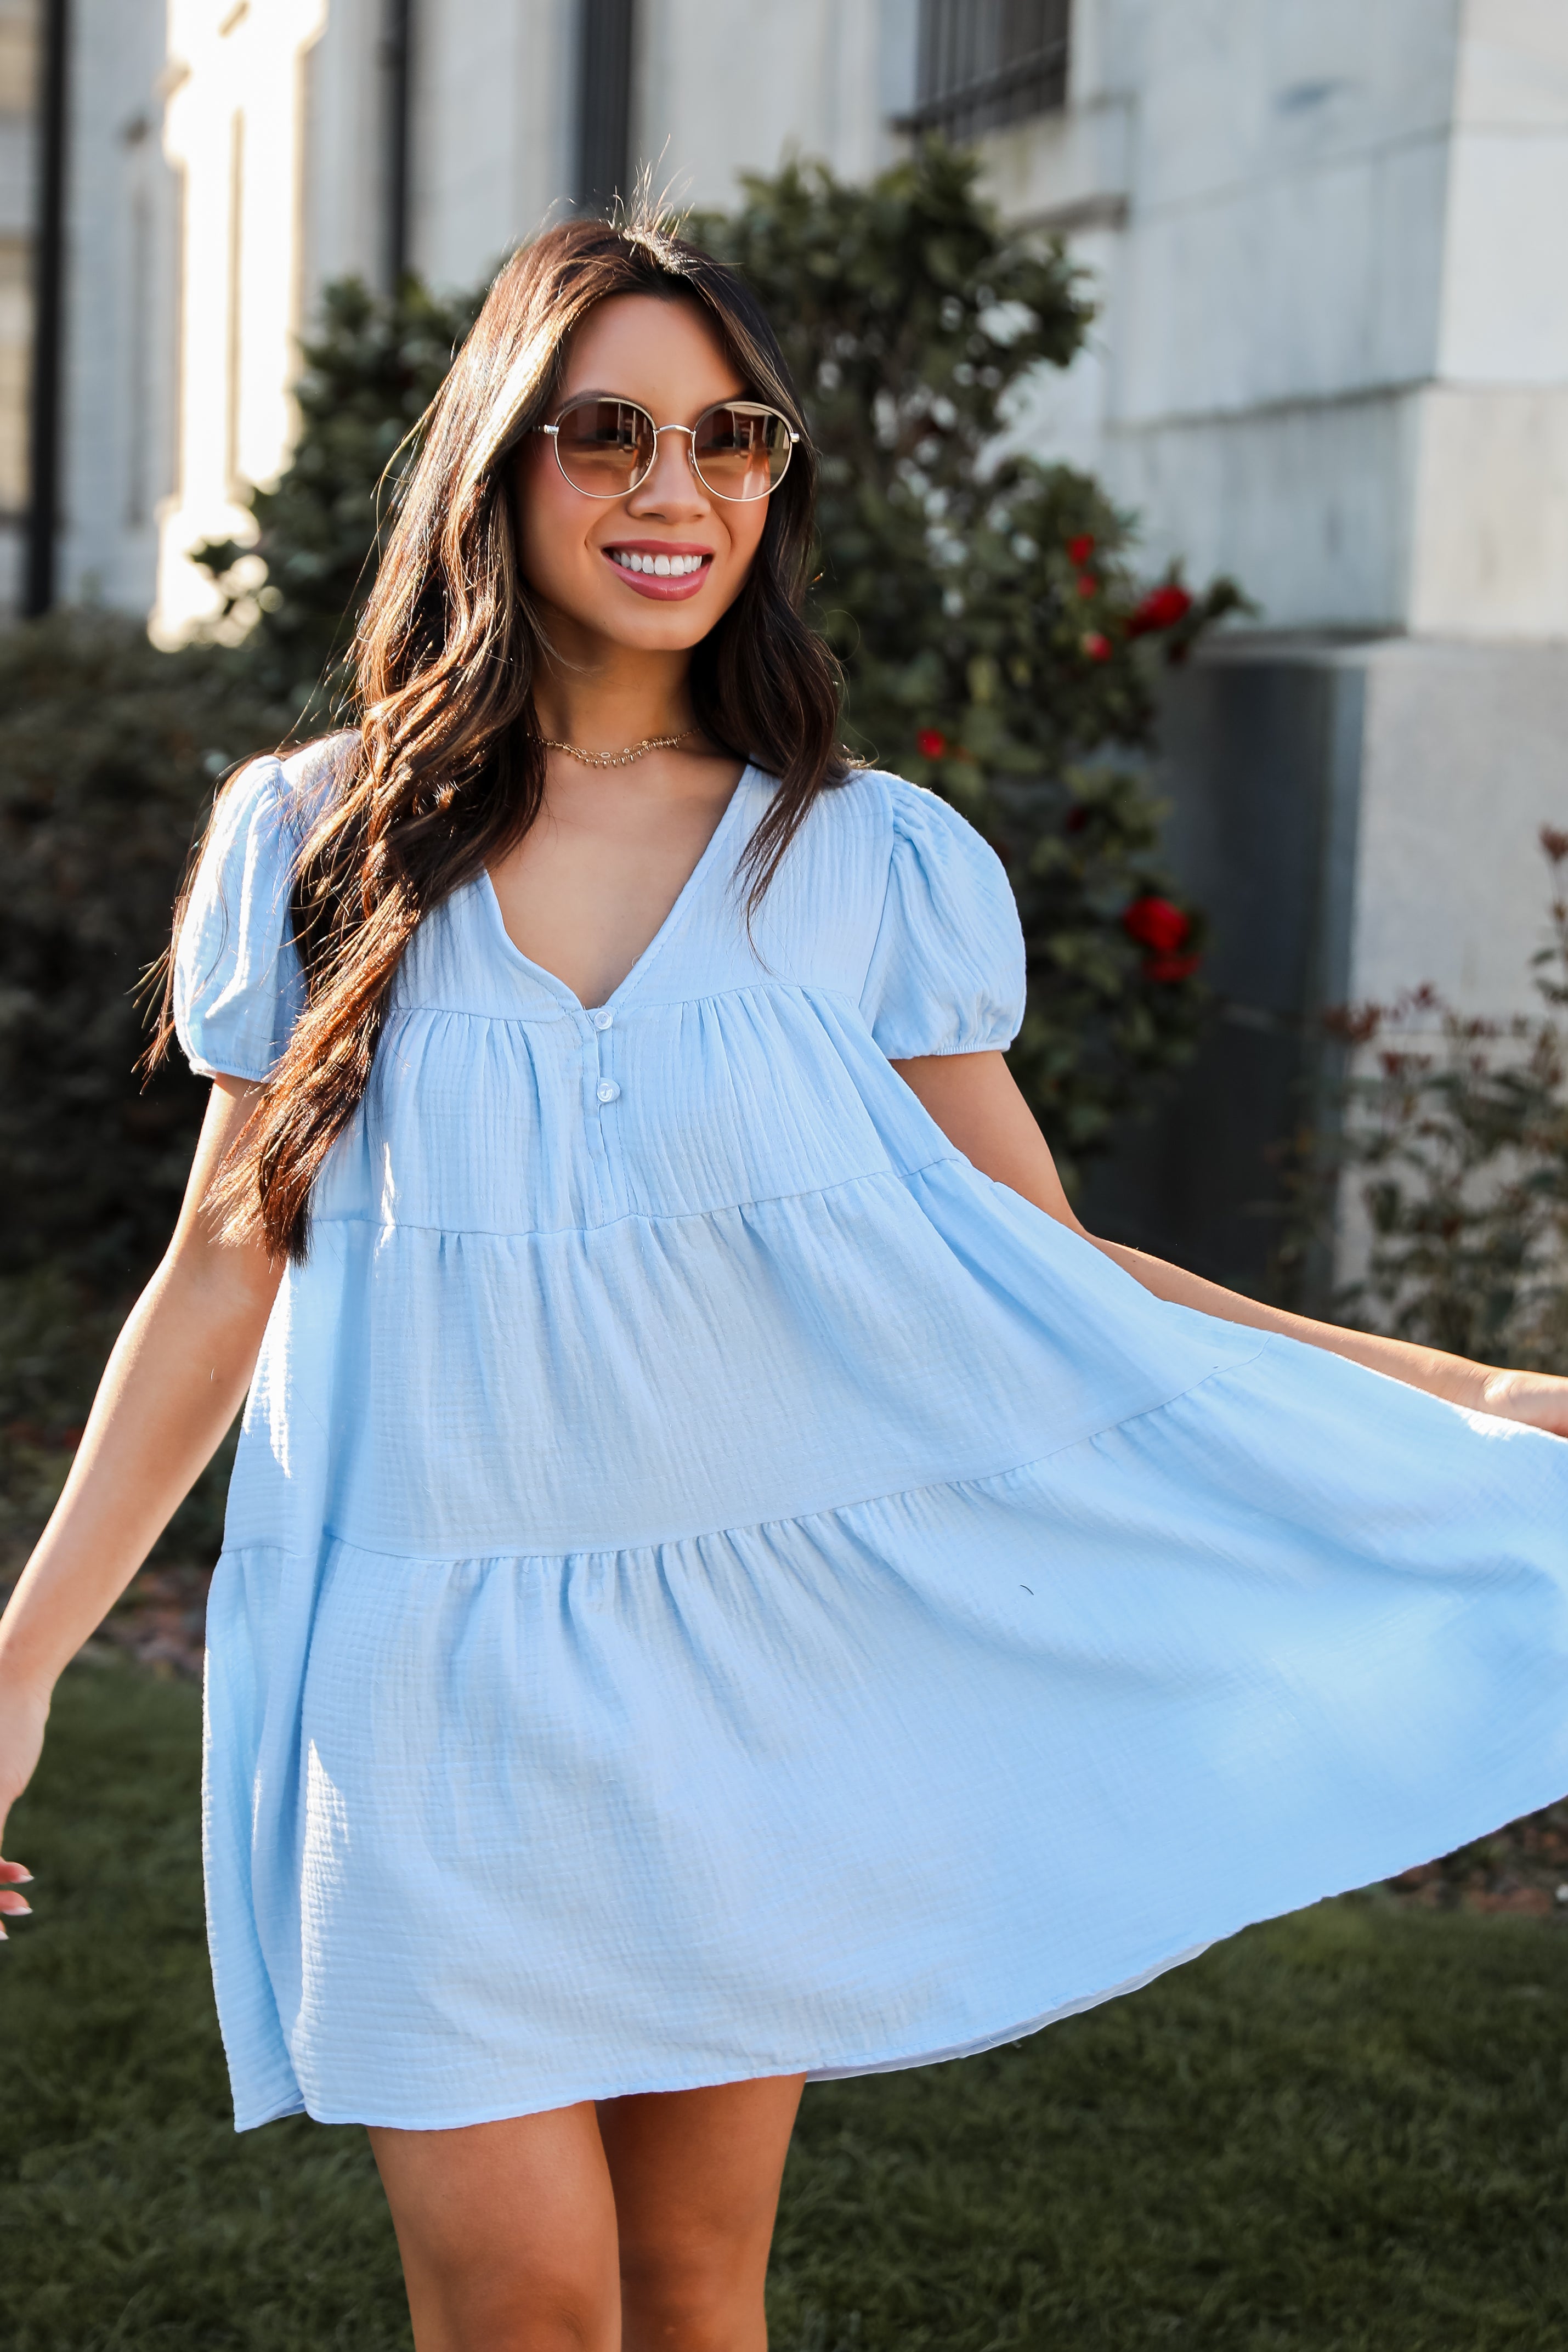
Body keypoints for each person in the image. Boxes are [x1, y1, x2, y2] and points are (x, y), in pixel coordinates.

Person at [2, 213, 1567, 2352]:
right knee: (530, 2308)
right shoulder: (319, 833)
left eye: (729, 436)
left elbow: (1045, 1269)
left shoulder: (858, 862)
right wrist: (16, 1666)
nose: (677, 490)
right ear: (498, 462)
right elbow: (219, 1261)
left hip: (742, 1680)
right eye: (609, 434)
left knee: (685, 2286)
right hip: (424, 1676)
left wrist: (1442, 1391)